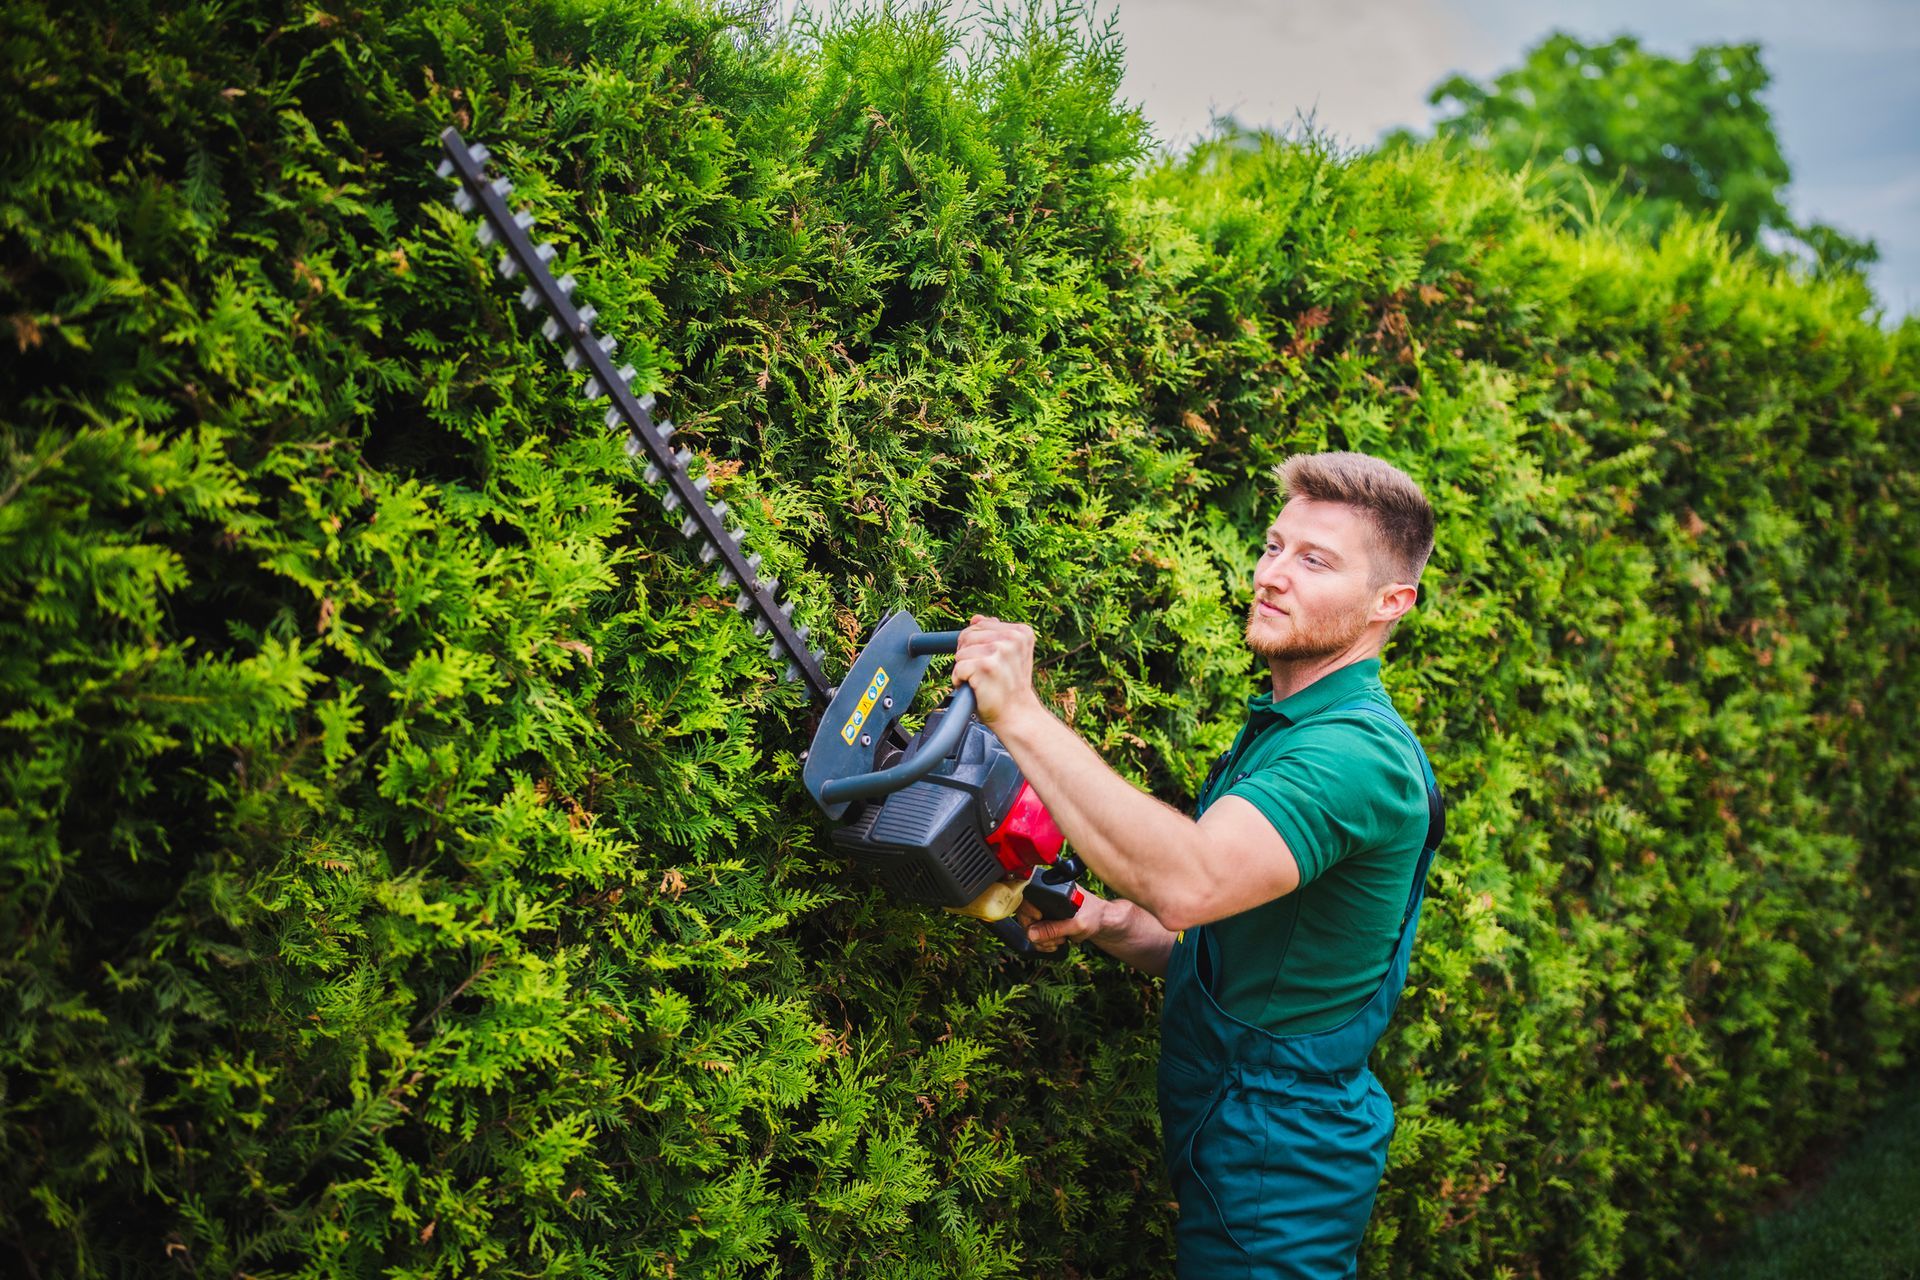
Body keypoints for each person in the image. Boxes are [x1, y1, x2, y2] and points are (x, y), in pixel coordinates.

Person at [952, 451, 1443, 1280]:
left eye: (1315, 561)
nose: (1274, 575)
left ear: (1390, 603)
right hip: (1243, 1131)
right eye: (1274, 546)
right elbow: (1246, 954)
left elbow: (1191, 883)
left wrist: (1021, 715)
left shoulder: (1354, 757)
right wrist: (1110, 920)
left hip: (1280, 1156)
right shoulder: (1292, 725)